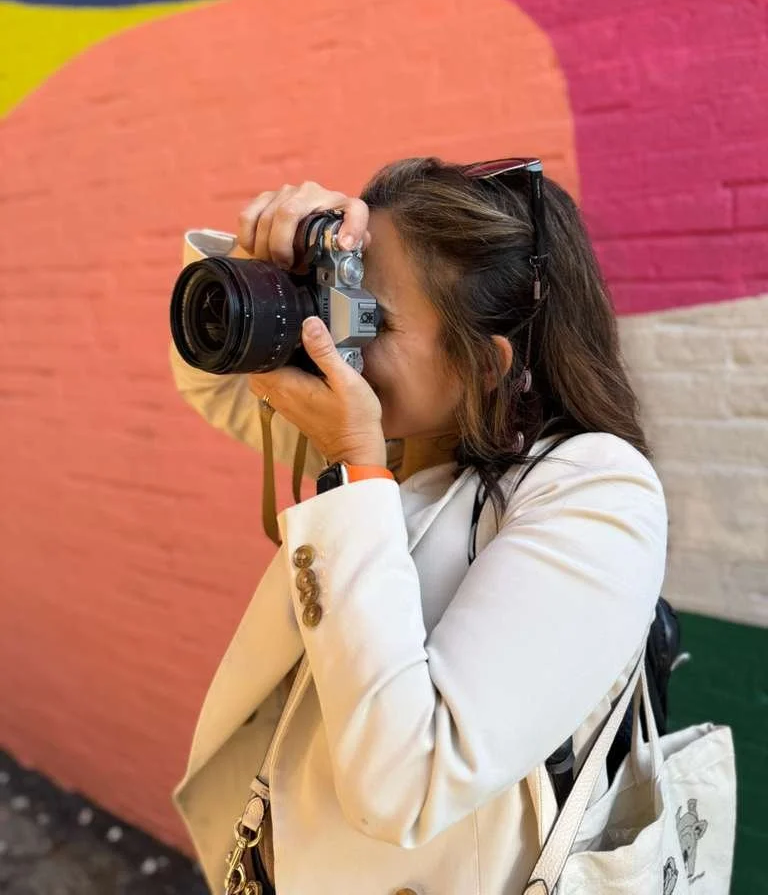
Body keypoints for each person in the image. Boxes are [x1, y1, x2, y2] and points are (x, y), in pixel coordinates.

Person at [170, 158, 667, 895]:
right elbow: (210, 374)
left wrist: (358, 466)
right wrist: (266, 266)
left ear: (487, 365)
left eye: (368, 316)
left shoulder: (598, 491)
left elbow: (404, 785)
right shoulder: (411, 430)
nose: (333, 336)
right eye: (334, 299)